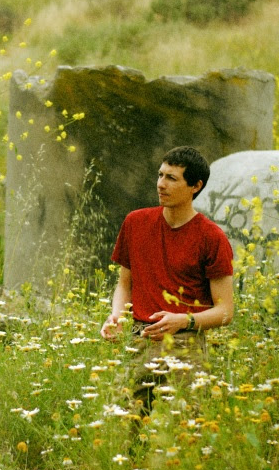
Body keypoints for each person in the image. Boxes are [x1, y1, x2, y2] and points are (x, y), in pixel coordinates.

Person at [100, 146, 235, 414]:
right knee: (124, 424)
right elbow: (125, 284)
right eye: (160, 175)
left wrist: (185, 320)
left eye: (172, 178)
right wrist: (117, 316)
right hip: (140, 337)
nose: (161, 184)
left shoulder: (212, 237)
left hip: (187, 344)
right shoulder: (135, 222)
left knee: (189, 432)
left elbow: (226, 311)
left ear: (195, 186)